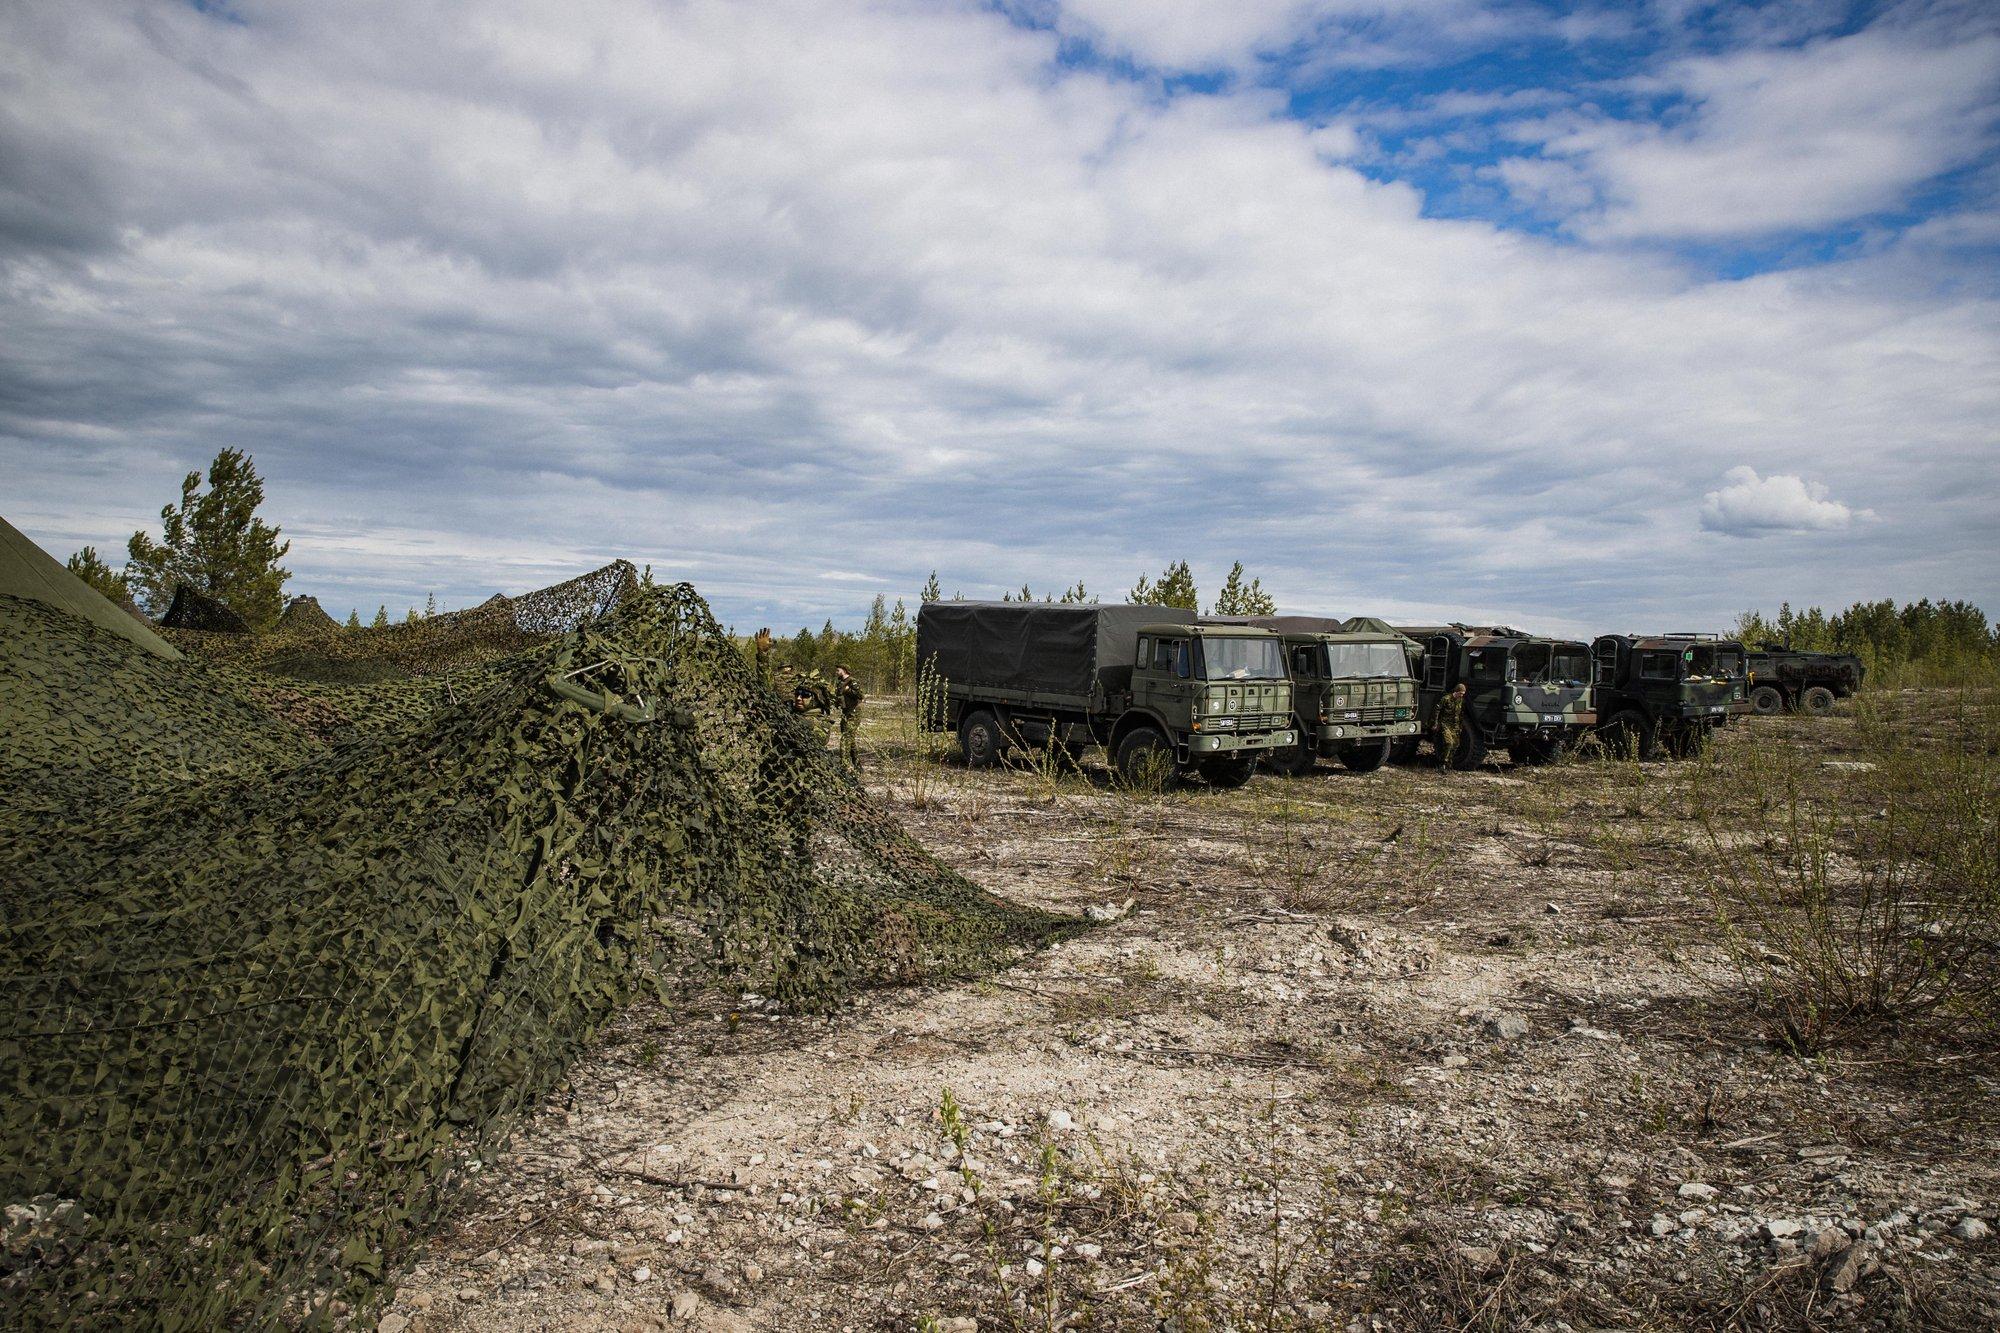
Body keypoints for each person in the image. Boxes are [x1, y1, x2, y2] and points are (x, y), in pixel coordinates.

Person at [834, 665, 865, 768]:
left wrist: (848, 690)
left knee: (845, 738)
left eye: (838, 670)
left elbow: (860, 695)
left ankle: (844, 766)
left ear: (844, 670)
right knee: (849, 738)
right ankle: (857, 764)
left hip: (854, 712)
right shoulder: (839, 682)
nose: (836, 671)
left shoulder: (852, 681)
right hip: (845, 712)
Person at [1436, 682, 1468, 767]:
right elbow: (1437, 711)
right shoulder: (1446, 699)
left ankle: (1448, 763)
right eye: (1460, 693)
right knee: (1448, 743)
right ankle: (1442, 763)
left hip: (1455, 726)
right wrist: (1435, 723)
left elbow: (1461, 714)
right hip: (1446, 724)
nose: (1462, 695)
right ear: (1456, 691)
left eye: (1463, 694)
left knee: (1455, 745)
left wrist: (1460, 726)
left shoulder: (1460, 700)